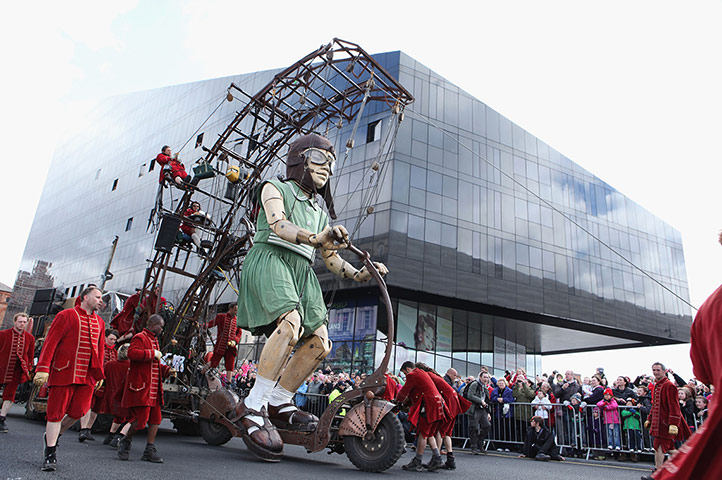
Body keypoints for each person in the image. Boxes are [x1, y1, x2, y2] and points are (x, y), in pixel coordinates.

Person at [233, 133, 387, 461]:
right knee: (290, 324)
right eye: (319, 160)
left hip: (302, 271)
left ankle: (279, 398)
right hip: (272, 257)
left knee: (321, 342)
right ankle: (253, 402)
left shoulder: (320, 212)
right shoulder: (274, 187)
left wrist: (362, 274)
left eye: (330, 164)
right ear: (300, 158)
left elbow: (331, 258)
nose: (326, 169)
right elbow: (278, 225)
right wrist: (315, 237)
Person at [33, 286, 105, 472]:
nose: (100, 300)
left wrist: (99, 374)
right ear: (85, 297)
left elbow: (100, 350)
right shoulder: (66, 315)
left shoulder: (100, 322)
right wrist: (43, 368)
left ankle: (55, 436)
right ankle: (50, 454)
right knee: (55, 413)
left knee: (79, 412)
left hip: (87, 376)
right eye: (97, 297)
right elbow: (51, 343)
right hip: (64, 371)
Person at [117, 314, 173, 462]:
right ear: (153, 324)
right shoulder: (140, 337)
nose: (162, 329)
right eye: (160, 326)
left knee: (156, 419)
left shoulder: (154, 340)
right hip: (143, 387)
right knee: (140, 422)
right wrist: (152, 353)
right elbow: (132, 353)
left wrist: (167, 370)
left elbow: (154, 365)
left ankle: (149, 449)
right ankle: (125, 441)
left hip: (154, 387)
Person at [416, 362, 471, 470]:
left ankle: (436, 459)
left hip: (448, 404)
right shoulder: (437, 376)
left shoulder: (428, 376)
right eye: (454, 375)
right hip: (454, 403)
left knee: (440, 432)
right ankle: (450, 460)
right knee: (446, 433)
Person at [641, 362, 691, 479]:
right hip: (657, 422)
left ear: (664, 371)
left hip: (665, 423)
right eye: (654, 370)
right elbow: (655, 405)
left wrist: (673, 424)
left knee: (658, 446)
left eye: (658, 370)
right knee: (670, 449)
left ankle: (657, 474)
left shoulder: (669, 386)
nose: (655, 372)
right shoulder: (657, 385)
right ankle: (690, 462)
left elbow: (674, 407)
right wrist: (649, 419)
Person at [396, 361, 446, 472]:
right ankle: (437, 458)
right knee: (428, 433)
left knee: (422, 433)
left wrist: (397, 401)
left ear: (408, 369)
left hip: (428, 404)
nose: (405, 376)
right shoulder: (421, 373)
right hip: (437, 403)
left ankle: (417, 462)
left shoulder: (412, 375)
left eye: (404, 373)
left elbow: (403, 392)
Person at [78, 328, 119, 441]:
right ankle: (83, 429)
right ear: (105, 338)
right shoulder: (99, 348)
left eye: (114, 340)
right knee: (88, 405)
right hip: (95, 380)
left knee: (97, 408)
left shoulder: (114, 352)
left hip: (105, 383)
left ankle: (88, 429)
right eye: (111, 339)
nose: (112, 341)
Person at [0, 312, 35, 433]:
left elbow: (30, 356)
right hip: (1, 367)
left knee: (10, 395)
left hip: (17, 370)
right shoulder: (3, 334)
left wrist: (29, 369)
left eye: (24, 322)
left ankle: (2, 418)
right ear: (14, 322)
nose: (22, 324)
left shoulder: (30, 338)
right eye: (20, 321)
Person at [102, 343, 131, 447]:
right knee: (135, 418)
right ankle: (119, 436)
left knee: (119, 417)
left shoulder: (109, 365)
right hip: (124, 397)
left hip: (111, 397)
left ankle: (110, 435)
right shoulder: (131, 367)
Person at [203, 304, 240, 384]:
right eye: (235, 310)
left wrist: (235, 341)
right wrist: (201, 326)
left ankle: (228, 383)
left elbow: (239, 333)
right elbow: (211, 324)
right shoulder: (221, 317)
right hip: (221, 345)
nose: (236, 312)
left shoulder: (237, 321)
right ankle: (202, 373)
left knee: (230, 365)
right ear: (230, 308)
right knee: (213, 362)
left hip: (231, 348)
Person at [466, 371, 492, 455]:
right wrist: (480, 401)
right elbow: (470, 395)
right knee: (474, 428)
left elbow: (487, 400)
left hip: (482, 410)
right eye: (484, 377)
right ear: (480, 377)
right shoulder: (475, 384)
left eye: (487, 377)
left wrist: (488, 412)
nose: (486, 379)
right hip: (475, 409)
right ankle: (474, 447)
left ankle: (480, 443)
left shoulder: (485, 387)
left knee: (487, 426)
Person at [490, 377, 514, 451]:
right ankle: (499, 446)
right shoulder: (495, 390)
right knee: (499, 429)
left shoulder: (509, 391)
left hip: (507, 413)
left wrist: (503, 400)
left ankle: (508, 446)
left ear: (505, 383)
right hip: (498, 412)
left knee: (507, 430)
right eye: (499, 383)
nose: (501, 384)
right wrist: (496, 399)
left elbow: (511, 399)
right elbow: (492, 398)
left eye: (502, 383)